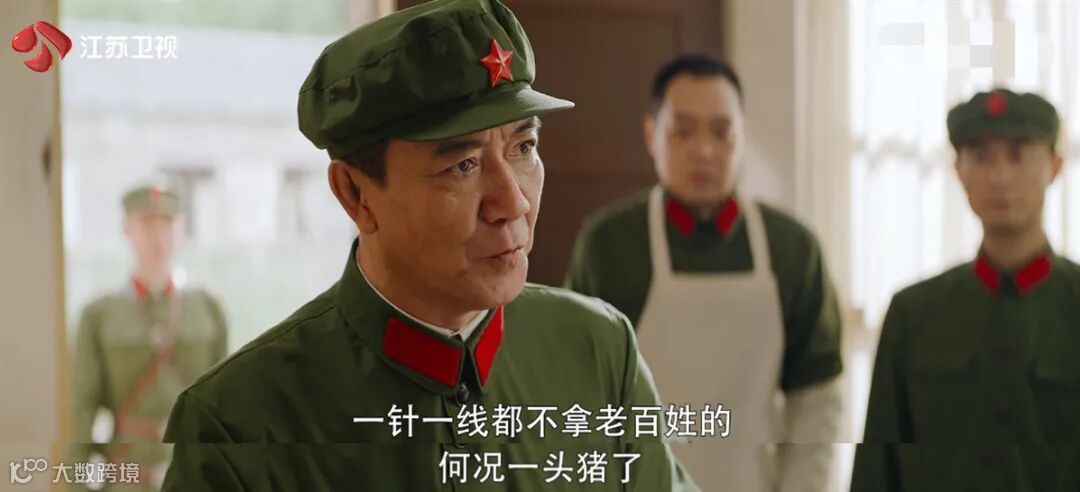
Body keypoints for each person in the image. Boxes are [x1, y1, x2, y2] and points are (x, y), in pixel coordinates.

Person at [161, 1, 697, 490]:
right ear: (355, 194)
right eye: (462, 165)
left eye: (523, 147)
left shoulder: (598, 351)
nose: (512, 202)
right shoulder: (238, 428)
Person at [566, 54, 844, 491]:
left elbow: (817, 402)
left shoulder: (793, 248)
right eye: (683, 131)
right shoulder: (609, 243)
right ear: (651, 135)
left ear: (743, 135)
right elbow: (579, 387)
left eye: (721, 131)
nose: (703, 150)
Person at [851, 88, 1080, 492]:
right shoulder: (913, 315)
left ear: (1055, 166)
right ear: (959, 172)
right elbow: (878, 471)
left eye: (1018, 154)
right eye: (981, 156)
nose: (999, 176)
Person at [70, 185, 228, 490]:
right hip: (129, 475)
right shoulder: (99, 315)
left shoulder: (208, 308)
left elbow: (226, 406)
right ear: (127, 229)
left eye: (167, 223)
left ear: (181, 229)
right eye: (147, 224)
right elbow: (82, 410)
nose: (158, 235)